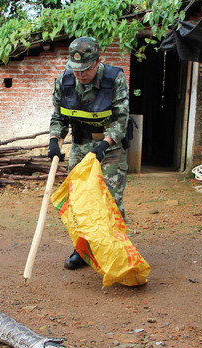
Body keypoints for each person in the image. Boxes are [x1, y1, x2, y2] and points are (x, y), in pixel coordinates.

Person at [48, 37, 130, 270]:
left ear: (97, 62)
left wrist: (104, 145)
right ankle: (82, 251)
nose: (81, 74)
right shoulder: (64, 81)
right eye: (76, 70)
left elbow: (121, 118)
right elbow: (58, 116)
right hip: (81, 144)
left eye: (86, 69)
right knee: (79, 201)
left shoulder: (114, 79)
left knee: (111, 200)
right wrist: (55, 140)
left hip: (109, 146)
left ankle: (117, 252)